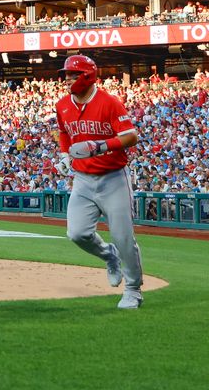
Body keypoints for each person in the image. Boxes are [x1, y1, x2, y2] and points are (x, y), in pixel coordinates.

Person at [56, 54, 144, 309]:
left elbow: (130, 136)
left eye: (73, 74)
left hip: (113, 177)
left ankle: (133, 289)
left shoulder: (109, 103)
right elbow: (63, 132)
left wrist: (101, 145)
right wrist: (64, 155)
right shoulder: (62, 104)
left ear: (87, 76)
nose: (67, 79)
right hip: (82, 178)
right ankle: (109, 256)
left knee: (123, 236)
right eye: (66, 75)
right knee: (77, 233)